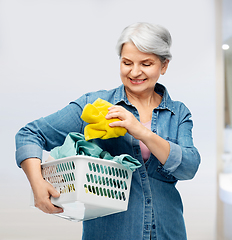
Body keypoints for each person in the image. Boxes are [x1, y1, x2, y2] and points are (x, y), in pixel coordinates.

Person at [15, 22, 201, 240]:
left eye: (146, 63)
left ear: (164, 65)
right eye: (127, 62)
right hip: (110, 233)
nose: (135, 72)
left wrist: (141, 131)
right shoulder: (95, 105)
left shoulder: (177, 113)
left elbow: (188, 167)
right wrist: (36, 182)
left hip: (167, 230)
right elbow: (30, 134)